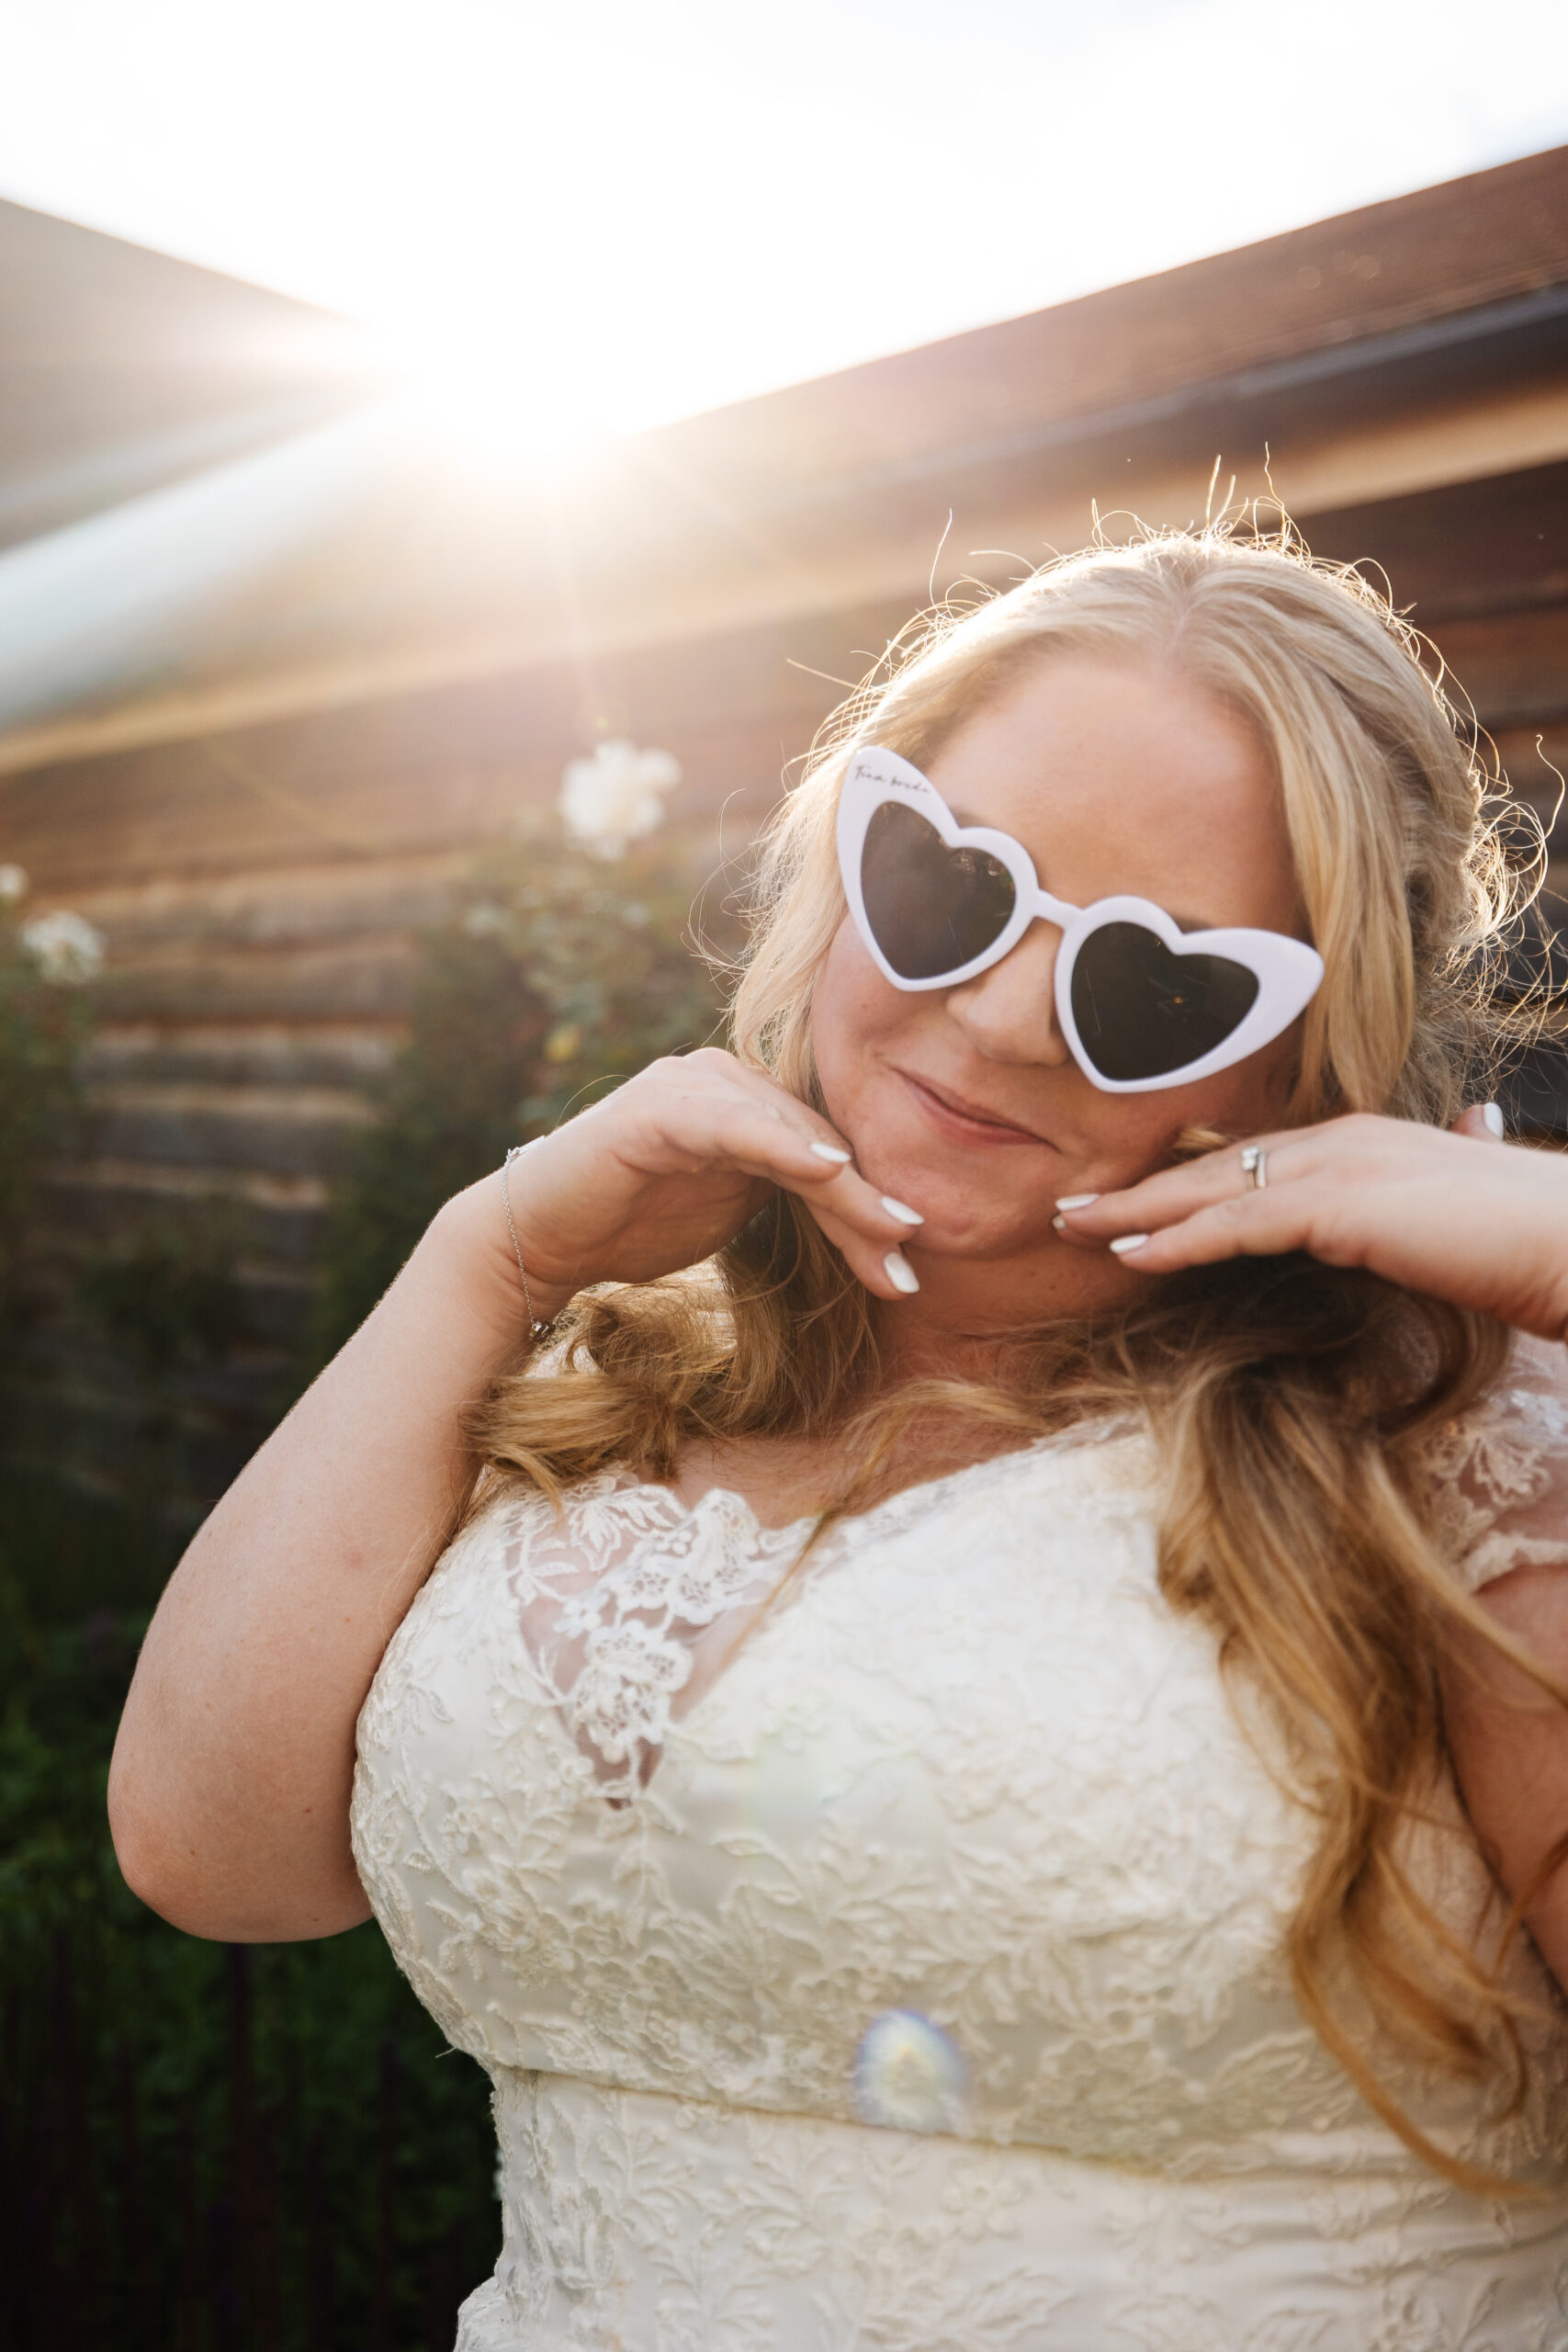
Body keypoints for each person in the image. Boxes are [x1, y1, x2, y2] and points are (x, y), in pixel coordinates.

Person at [110, 530, 1568, 2349]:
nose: (1001, 1016)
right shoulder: (601, 1368)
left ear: (1301, 1056)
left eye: (1153, 985)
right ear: (839, 857)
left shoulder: (1452, 1454)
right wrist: (481, 1254)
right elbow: (213, 1850)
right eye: (948, 882)